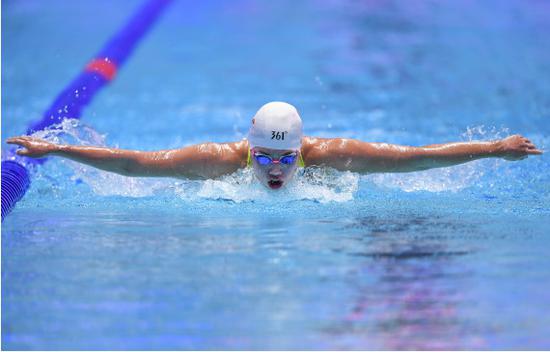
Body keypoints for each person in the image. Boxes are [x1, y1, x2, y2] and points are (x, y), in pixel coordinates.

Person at [7, 101, 543, 190]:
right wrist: (56, 150)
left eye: (286, 158)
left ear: (304, 148)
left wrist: (496, 147)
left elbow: (414, 158)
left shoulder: (331, 155)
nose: (274, 170)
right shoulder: (218, 163)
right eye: (263, 155)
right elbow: (134, 164)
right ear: (248, 146)